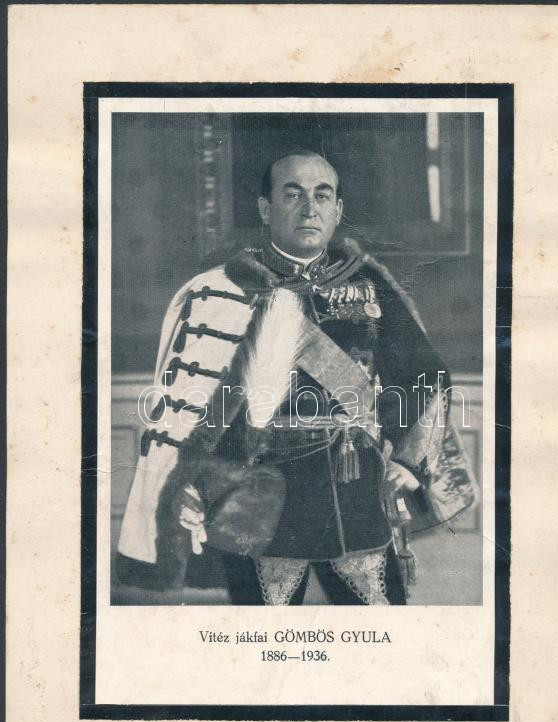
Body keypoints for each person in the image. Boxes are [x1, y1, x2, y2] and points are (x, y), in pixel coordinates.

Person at [117, 150, 476, 605]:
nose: (310, 208)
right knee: (261, 636)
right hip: (258, 498)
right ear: (266, 209)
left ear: (337, 210)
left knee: (381, 628)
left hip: (355, 493)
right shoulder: (223, 289)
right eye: (293, 195)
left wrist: (408, 460)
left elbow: (423, 377)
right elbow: (191, 408)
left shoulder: (369, 283)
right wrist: (191, 481)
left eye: (322, 196)